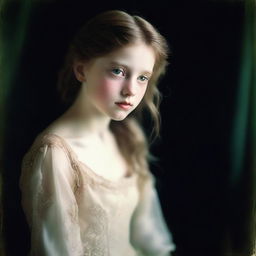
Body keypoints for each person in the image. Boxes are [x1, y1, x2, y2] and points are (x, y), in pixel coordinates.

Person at [20, 10, 176, 256]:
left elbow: (150, 237)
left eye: (143, 77)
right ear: (81, 69)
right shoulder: (55, 155)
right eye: (118, 71)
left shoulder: (129, 137)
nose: (131, 91)